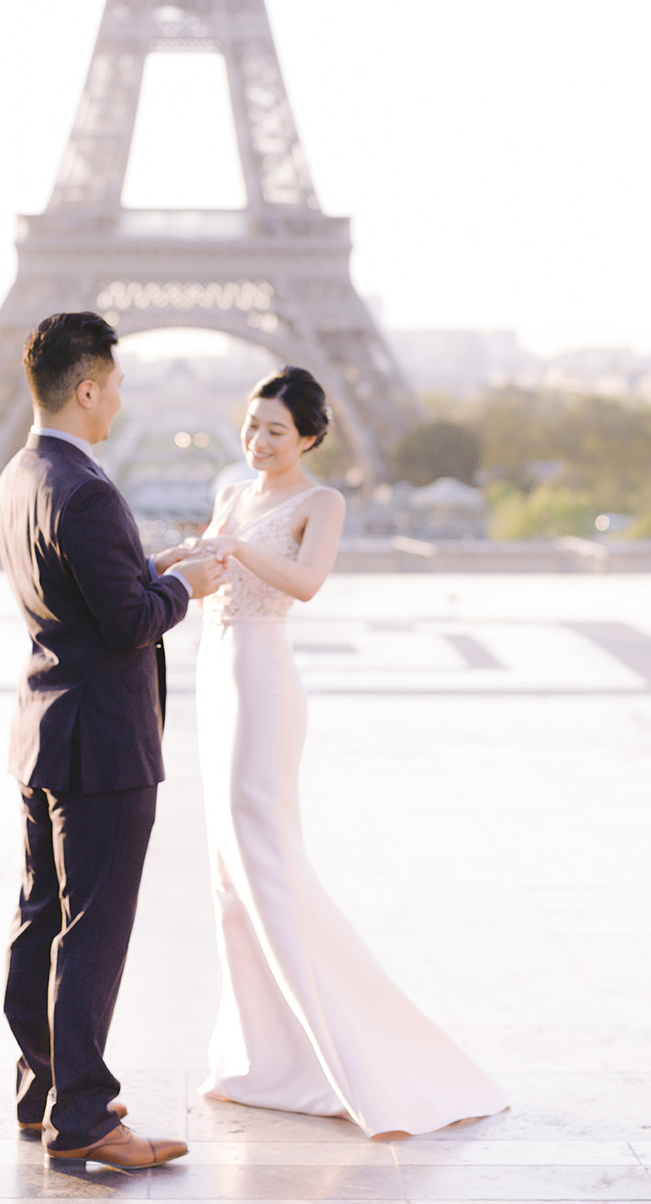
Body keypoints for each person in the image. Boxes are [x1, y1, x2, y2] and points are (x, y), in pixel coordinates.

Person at [181, 365, 508, 1138]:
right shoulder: (233, 493)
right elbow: (212, 573)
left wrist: (232, 547)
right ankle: (260, 1059)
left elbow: (306, 582)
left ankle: (345, 1051)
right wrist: (175, 561)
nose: (258, 441)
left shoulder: (321, 501)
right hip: (214, 676)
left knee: (263, 853)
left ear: (311, 438)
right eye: (252, 425)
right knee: (229, 870)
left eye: (275, 431)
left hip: (262, 677)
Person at [0, 310, 226, 1169]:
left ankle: (44, 1085)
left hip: (44, 728)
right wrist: (186, 584)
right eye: (117, 382)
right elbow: (127, 622)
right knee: (93, 926)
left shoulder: (23, 474)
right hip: (103, 741)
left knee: (40, 914)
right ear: (87, 388)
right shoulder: (87, 488)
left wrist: (149, 567)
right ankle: (84, 1118)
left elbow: (79, 593)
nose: (122, 396)